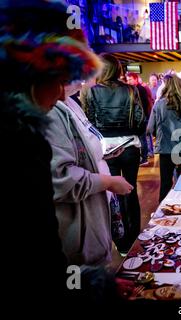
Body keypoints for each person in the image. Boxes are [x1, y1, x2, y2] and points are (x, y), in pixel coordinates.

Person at [0, 0, 114, 305]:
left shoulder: (26, 136)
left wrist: (82, 283)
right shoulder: (22, 145)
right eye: (60, 80)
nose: (63, 92)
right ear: (31, 76)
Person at [46, 81, 133, 266]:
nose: (84, 80)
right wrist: (107, 182)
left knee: (94, 274)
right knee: (78, 282)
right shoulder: (50, 109)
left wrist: (102, 155)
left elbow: (82, 148)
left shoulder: (70, 102)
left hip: (91, 214)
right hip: (76, 227)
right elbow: (61, 179)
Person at [83, 53, 146, 253]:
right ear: (118, 69)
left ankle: (120, 243)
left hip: (104, 148)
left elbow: (89, 123)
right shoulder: (130, 90)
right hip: (129, 146)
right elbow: (140, 121)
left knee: (111, 194)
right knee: (130, 190)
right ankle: (133, 238)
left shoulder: (90, 92)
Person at [148, 74, 181, 202]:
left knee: (166, 183)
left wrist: (160, 134)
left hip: (166, 149)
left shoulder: (159, 104)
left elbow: (150, 129)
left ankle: (162, 214)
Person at [126, 72, 153, 165]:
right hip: (139, 117)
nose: (128, 81)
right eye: (127, 80)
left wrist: (142, 116)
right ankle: (143, 157)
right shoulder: (133, 89)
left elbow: (144, 104)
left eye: (130, 79)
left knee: (143, 138)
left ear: (136, 79)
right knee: (142, 138)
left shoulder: (140, 89)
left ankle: (144, 158)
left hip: (142, 117)